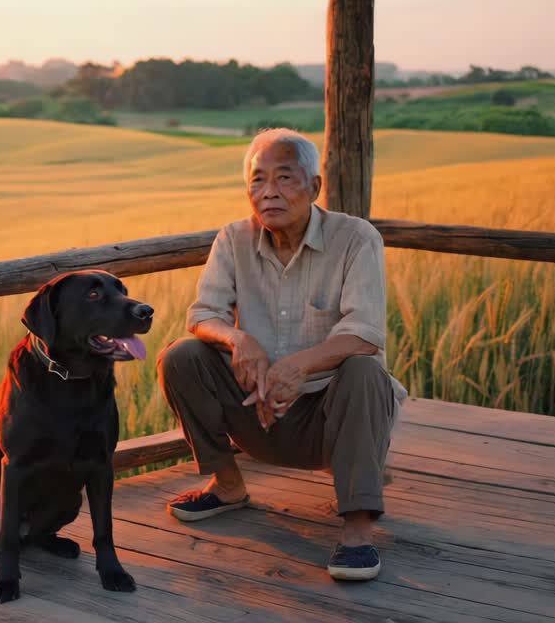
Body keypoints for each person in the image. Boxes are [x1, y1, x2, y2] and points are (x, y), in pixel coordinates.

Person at [157, 128, 406, 581]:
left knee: (365, 370)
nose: (269, 192)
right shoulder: (233, 239)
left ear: (314, 187)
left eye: (285, 178)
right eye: (257, 180)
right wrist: (238, 340)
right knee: (182, 356)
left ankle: (357, 528)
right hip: (257, 413)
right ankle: (228, 486)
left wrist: (298, 366)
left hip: (329, 423)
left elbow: (365, 333)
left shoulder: (355, 238)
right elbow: (203, 314)